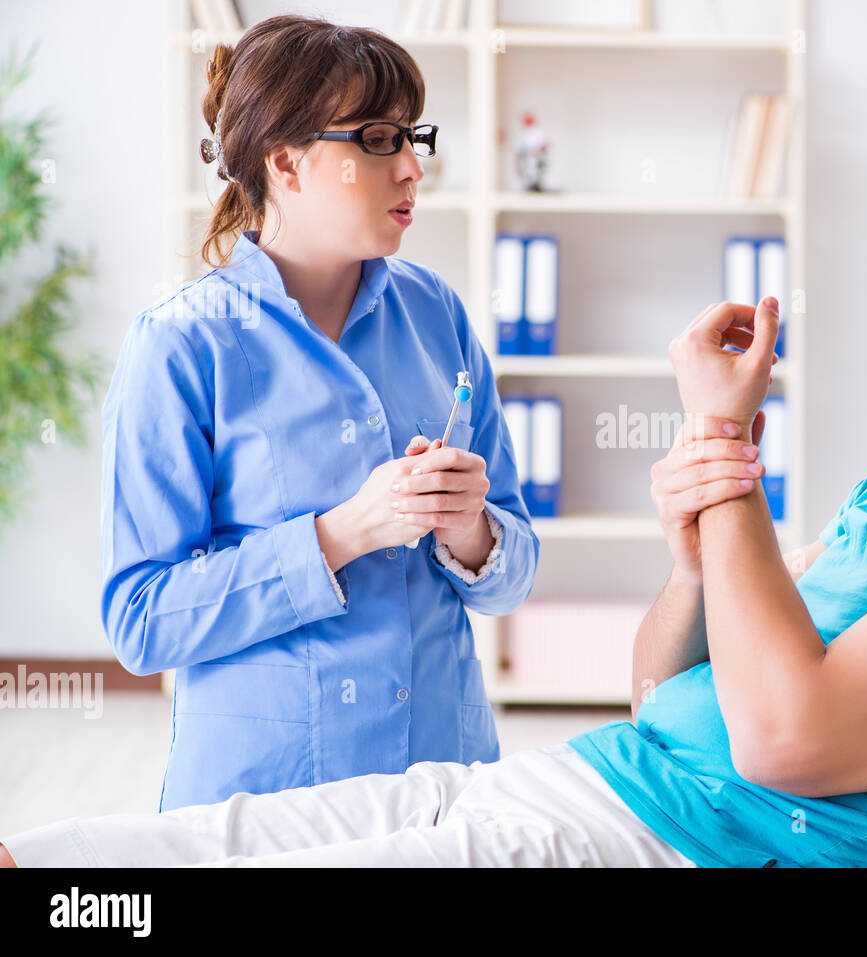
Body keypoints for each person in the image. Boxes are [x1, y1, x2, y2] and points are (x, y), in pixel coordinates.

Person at [0, 143, 867, 867]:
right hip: (600, 779)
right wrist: (695, 551)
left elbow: (787, 739)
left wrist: (724, 446)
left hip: (682, 846)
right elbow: (667, 689)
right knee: (212, 845)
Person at [92, 14, 539, 813]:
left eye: (412, 137)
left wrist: (472, 530)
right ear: (286, 162)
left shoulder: (437, 315)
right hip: (263, 808)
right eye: (376, 138)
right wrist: (344, 533)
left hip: (445, 793)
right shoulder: (180, 345)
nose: (411, 168)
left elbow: (512, 574)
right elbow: (141, 619)